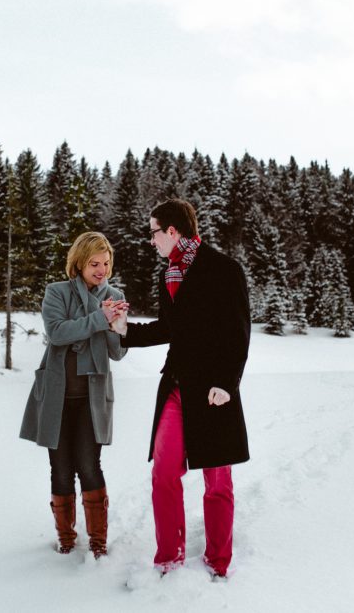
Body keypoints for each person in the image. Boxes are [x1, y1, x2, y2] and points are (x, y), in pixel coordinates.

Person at [110, 199, 251, 579]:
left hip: (213, 391)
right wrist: (125, 331)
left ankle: (218, 562)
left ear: (172, 231)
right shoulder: (169, 274)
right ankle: (169, 558)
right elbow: (169, 328)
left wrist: (227, 383)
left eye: (154, 232)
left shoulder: (224, 268)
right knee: (164, 472)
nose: (151, 240)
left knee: (217, 481)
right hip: (176, 383)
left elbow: (239, 332)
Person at [19, 232, 129, 558]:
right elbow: (57, 333)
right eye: (94, 263)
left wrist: (118, 326)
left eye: (106, 263)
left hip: (92, 400)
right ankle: (66, 538)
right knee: (61, 469)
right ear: (79, 263)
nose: (101, 270)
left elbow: (117, 353)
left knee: (89, 465)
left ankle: (98, 541)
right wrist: (99, 318)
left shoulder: (114, 296)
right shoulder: (57, 292)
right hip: (57, 396)